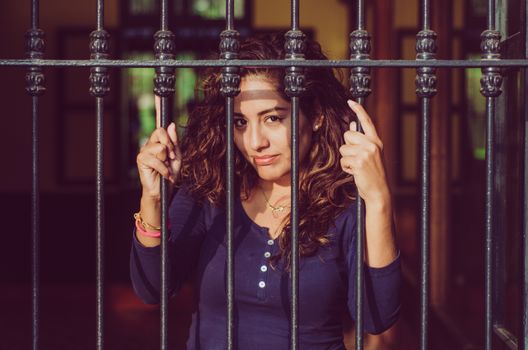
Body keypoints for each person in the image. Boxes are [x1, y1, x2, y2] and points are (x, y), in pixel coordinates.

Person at [130, 33, 400, 349]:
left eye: (272, 118)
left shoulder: (343, 204)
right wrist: (154, 199)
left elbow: (376, 317)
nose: (255, 141)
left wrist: (379, 199)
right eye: (240, 122)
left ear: (314, 117)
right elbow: (152, 288)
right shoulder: (212, 187)